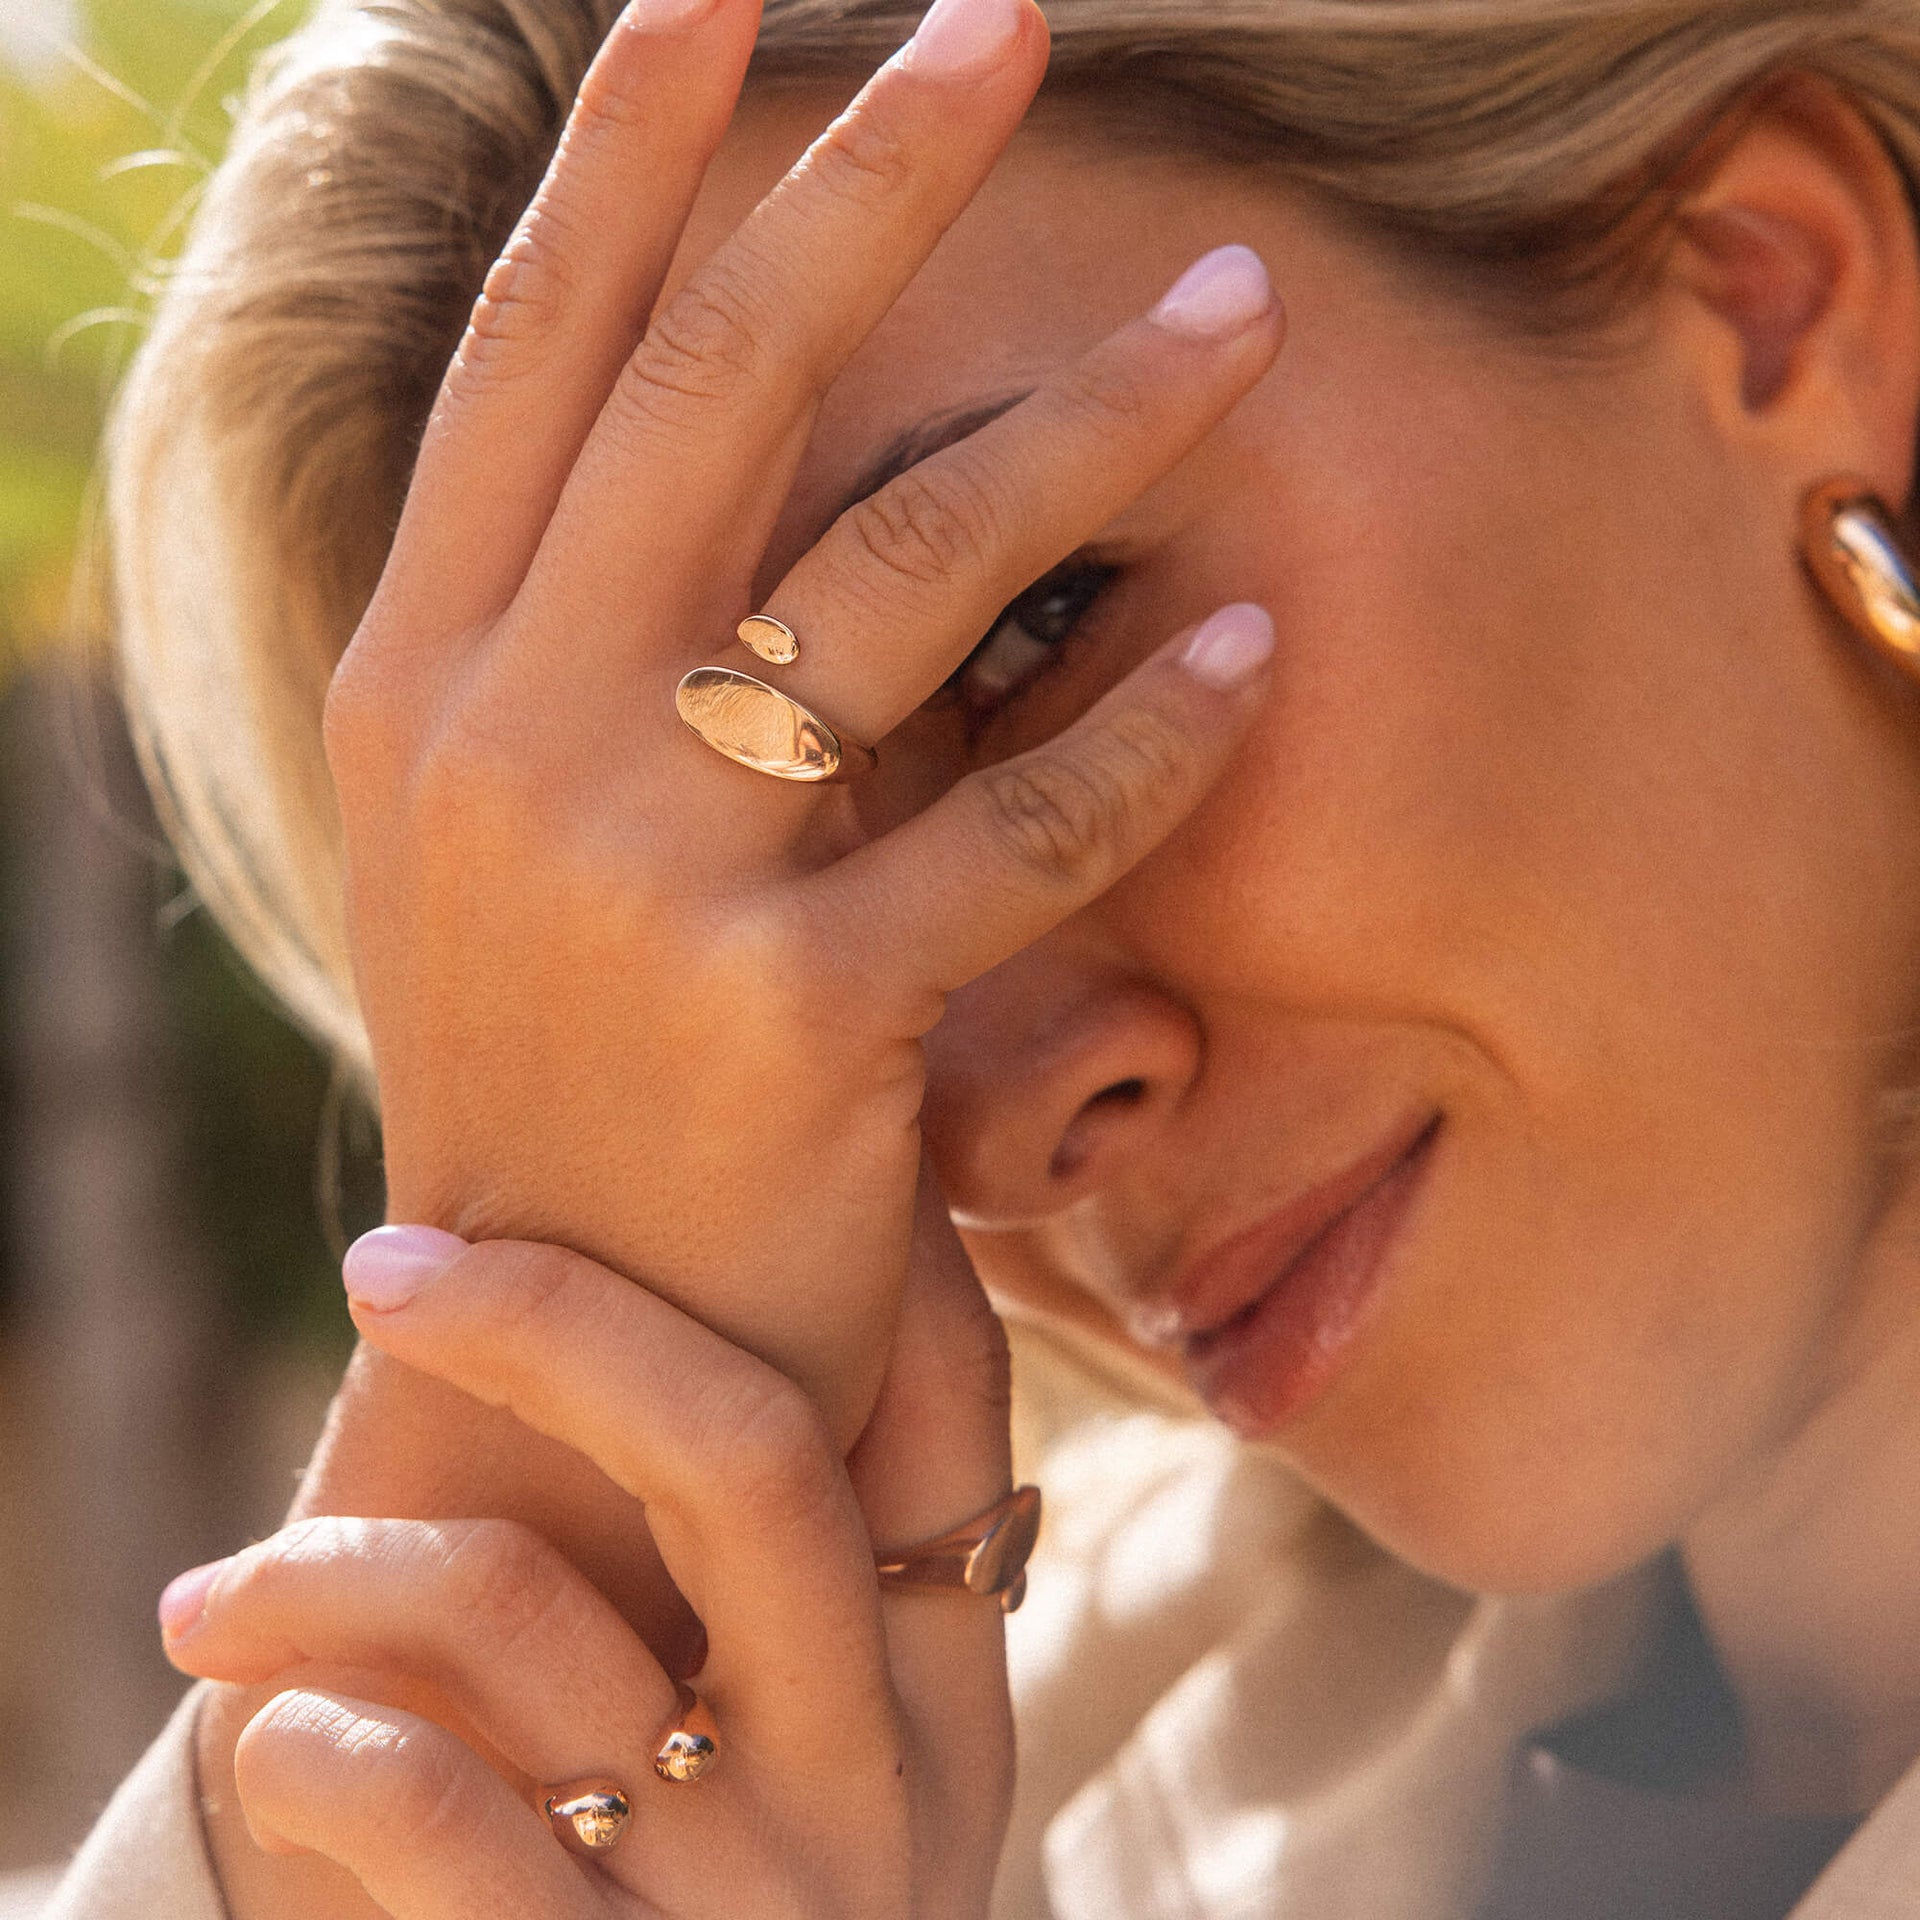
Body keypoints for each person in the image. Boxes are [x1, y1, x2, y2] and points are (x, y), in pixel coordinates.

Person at [30, 0, 1920, 1912]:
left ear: (1771, 289)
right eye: (691, 947)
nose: (997, 1116)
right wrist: (528, 1532)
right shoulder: (998, 1796)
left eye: (1038, 623)